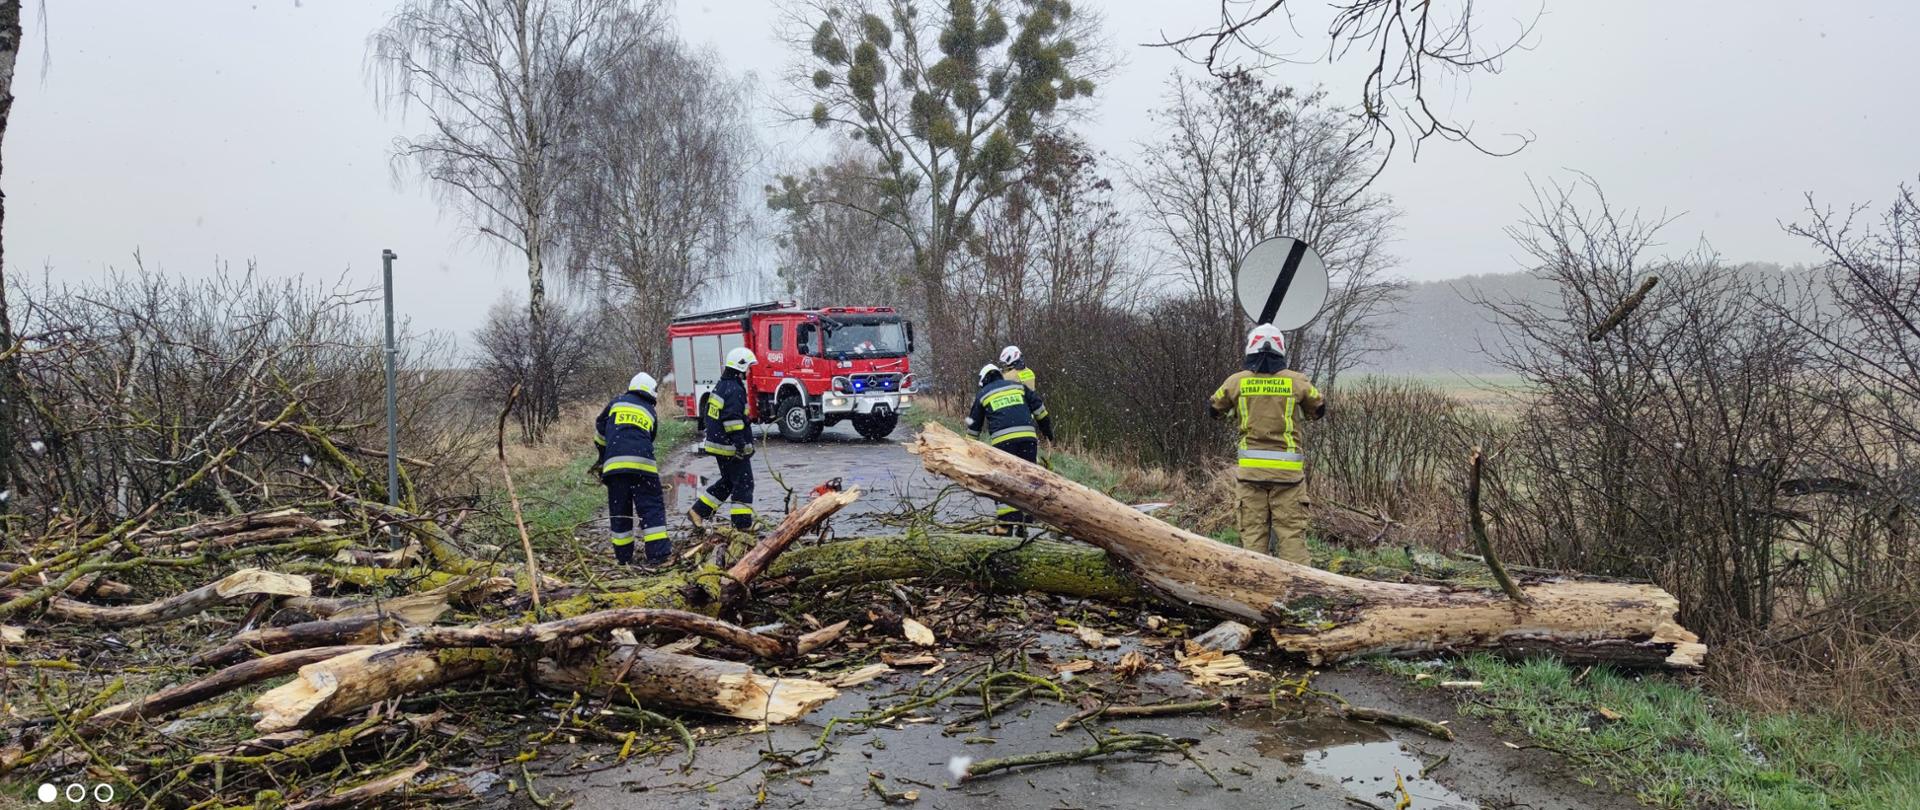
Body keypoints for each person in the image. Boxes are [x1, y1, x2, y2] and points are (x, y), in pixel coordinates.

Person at [1208, 324, 1326, 564]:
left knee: (1252, 538)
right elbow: (1319, 408)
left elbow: (1214, 409)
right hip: (1288, 476)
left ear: (1250, 347)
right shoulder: (1296, 381)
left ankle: (1254, 590)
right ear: (1281, 349)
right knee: (1292, 537)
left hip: (1251, 475)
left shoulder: (1236, 381)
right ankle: (1297, 591)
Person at [592, 372, 669, 566]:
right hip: (643, 467)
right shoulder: (649, 411)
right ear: (651, 392)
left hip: (615, 469)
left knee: (620, 511)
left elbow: (600, 434)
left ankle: (624, 557)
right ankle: (658, 555)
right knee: (651, 508)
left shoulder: (615, 403)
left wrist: (603, 458)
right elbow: (649, 437)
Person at [967, 363, 1053, 535]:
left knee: (1005, 481)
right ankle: (1025, 523)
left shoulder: (984, 394)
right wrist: (1047, 432)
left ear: (984, 380)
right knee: (1026, 478)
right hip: (1028, 440)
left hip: (1003, 443)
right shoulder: (1018, 387)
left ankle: (1006, 524)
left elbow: (973, 425)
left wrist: (969, 449)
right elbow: (1040, 410)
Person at [688, 347, 758, 532]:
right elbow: (732, 420)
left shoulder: (723, 385)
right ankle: (741, 526)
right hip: (730, 447)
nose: (749, 370)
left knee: (728, 482)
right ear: (741, 366)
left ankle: (698, 511)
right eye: (748, 366)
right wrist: (741, 445)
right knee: (744, 483)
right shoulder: (734, 389)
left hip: (720, 445)